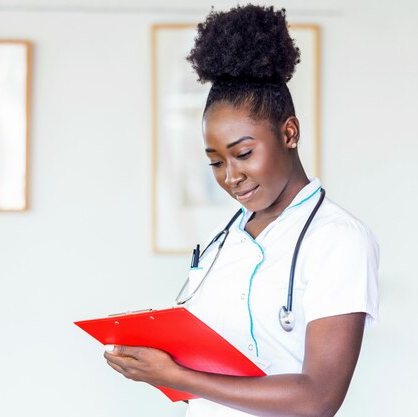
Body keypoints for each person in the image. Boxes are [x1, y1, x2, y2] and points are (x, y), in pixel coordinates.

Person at [104, 5, 379, 417]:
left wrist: (175, 376)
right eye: (216, 162)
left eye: (244, 153)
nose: (231, 177)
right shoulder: (227, 237)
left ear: (289, 132)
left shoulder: (337, 238)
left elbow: (318, 399)